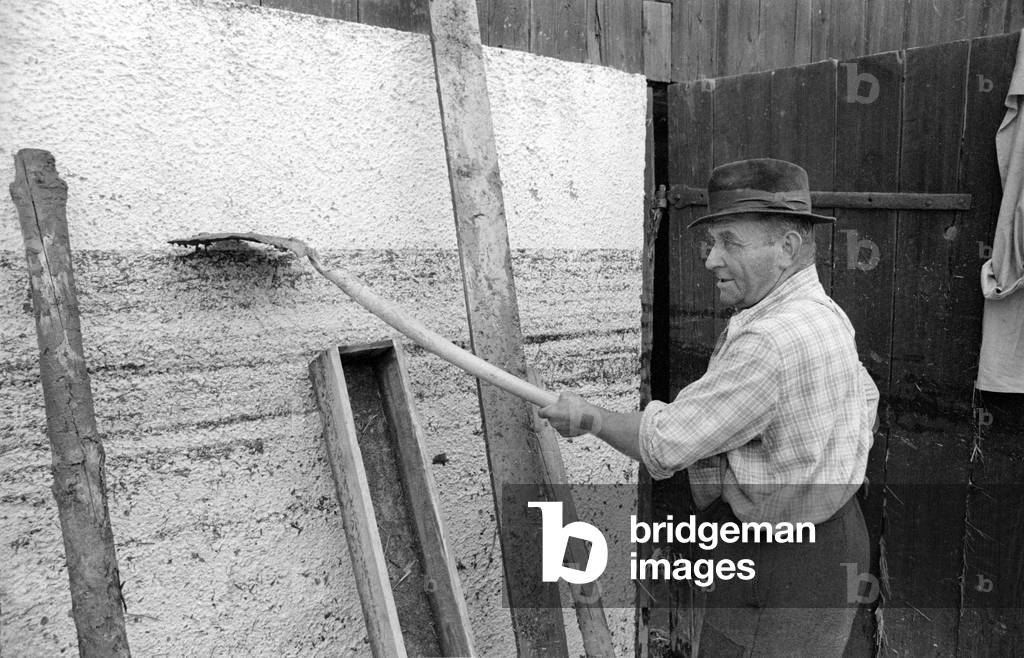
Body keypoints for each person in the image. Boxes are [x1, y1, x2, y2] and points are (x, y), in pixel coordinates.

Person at [539, 158, 880, 655]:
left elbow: (663, 442)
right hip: (835, 536)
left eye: (730, 243)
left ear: (785, 247)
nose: (711, 260)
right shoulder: (825, 315)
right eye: (712, 242)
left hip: (780, 563)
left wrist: (589, 417)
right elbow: (866, 399)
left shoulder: (770, 339)